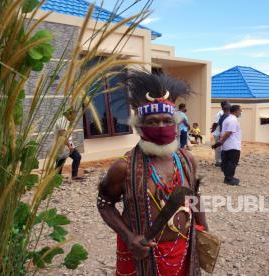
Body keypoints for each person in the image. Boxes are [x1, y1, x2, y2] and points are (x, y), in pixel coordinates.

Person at [97, 71, 207, 275]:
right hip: (142, 254)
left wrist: (204, 229)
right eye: (153, 122)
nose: (161, 127)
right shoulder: (123, 167)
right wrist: (129, 238)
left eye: (167, 120)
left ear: (176, 125)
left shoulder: (187, 160)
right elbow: (104, 203)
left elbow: (193, 196)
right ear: (139, 127)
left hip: (183, 249)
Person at [212, 105, 242, 186]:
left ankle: (228, 177)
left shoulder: (228, 119)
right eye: (240, 110)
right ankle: (229, 179)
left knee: (227, 162)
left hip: (227, 145)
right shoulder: (233, 120)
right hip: (233, 145)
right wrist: (221, 142)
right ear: (235, 111)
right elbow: (229, 132)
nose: (241, 112)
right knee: (232, 162)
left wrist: (220, 142)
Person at [55, 109, 82, 180]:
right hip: (60, 146)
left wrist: (72, 146)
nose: (74, 118)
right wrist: (69, 146)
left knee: (77, 157)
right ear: (69, 114)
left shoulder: (68, 122)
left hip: (68, 145)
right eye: (74, 116)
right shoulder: (61, 122)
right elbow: (62, 135)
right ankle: (56, 179)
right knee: (60, 164)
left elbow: (68, 136)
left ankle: (74, 176)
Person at [210, 101, 229, 167]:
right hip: (218, 133)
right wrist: (213, 129)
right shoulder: (220, 113)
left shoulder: (227, 113)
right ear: (224, 106)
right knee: (218, 148)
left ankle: (223, 160)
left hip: (223, 133)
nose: (230, 104)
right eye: (228, 104)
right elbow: (216, 123)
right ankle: (218, 161)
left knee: (223, 147)